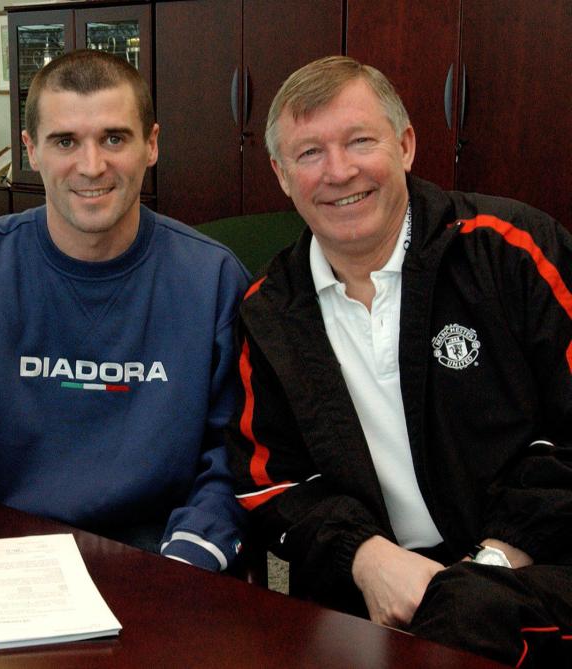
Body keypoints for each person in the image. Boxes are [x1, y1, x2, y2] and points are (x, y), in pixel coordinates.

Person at [227, 55, 572, 667]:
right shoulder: (269, 309)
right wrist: (365, 557)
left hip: (539, 560)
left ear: (407, 145)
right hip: (368, 586)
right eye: (309, 153)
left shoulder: (514, 250)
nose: (339, 171)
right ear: (281, 175)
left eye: (360, 140)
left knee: (467, 616)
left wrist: (490, 560)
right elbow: (270, 480)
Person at [0, 49, 248, 572]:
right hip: (0, 552)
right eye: (65, 141)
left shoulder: (214, 280)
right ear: (32, 151)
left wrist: (188, 559)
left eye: (115, 138)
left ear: (151, 145)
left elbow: (236, 455)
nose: (92, 166)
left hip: (163, 554)